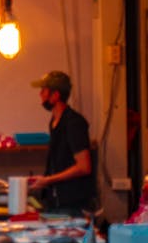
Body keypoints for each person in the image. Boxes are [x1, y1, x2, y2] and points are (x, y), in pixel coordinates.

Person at [28, 70, 97, 214]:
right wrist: (45, 179)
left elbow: (84, 166)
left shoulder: (74, 123)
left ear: (55, 95)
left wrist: (49, 180)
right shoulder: (54, 121)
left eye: (44, 90)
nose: (40, 94)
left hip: (72, 204)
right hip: (56, 201)